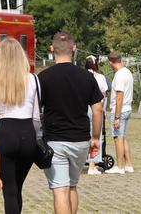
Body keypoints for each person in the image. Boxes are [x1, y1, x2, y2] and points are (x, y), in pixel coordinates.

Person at [38, 32, 103, 214]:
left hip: (55, 140)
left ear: (51, 49)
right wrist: (96, 137)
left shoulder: (43, 77)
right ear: (74, 49)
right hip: (81, 140)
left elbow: (36, 110)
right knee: (72, 186)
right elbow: (98, 109)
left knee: (60, 189)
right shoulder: (87, 77)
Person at [0, 38, 40, 213]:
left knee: (9, 190)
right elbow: (36, 118)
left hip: (6, 133)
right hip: (27, 133)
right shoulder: (33, 79)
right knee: (18, 187)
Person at [104, 52, 134, 174]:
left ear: (110, 62)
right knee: (123, 137)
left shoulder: (119, 75)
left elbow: (119, 96)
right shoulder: (127, 72)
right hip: (128, 109)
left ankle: (120, 167)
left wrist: (116, 117)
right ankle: (128, 165)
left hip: (120, 111)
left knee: (118, 139)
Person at [84, 56, 108, 175]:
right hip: (95, 107)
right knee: (96, 135)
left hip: (84, 108)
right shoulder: (100, 77)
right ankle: (92, 165)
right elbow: (103, 95)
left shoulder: (82, 76)